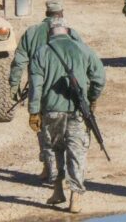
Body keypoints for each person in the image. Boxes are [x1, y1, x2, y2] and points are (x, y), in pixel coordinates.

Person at [29, 16, 106, 214]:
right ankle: (75, 198)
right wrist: (91, 98)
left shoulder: (41, 52)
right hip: (78, 112)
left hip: (52, 112)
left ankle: (57, 192)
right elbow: (99, 77)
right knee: (76, 152)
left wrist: (34, 112)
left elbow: (35, 87)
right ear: (68, 31)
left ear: (50, 33)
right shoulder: (83, 49)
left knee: (54, 150)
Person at [8, 0, 84, 184]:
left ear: (46, 13)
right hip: (68, 93)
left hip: (40, 92)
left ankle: (51, 171)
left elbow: (19, 61)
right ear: (62, 13)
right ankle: (61, 173)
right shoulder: (71, 33)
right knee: (71, 135)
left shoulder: (32, 32)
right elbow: (84, 60)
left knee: (45, 131)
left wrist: (14, 84)